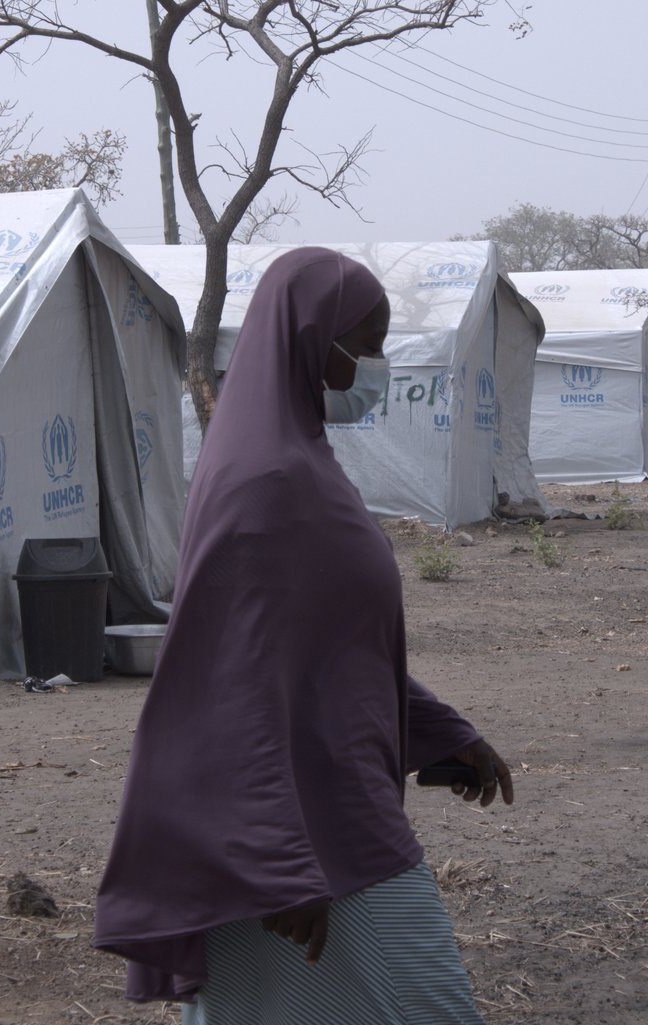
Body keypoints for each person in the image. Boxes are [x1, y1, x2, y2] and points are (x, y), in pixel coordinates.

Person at [94, 247, 516, 1023]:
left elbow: (325, 648)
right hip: (309, 838)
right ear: (310, 339)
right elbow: (228, 678)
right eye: (367, 343)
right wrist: (276, 857)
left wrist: (442, 732)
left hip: (322, 809)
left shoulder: (298, 461)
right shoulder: (266, 482)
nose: (377, 366)